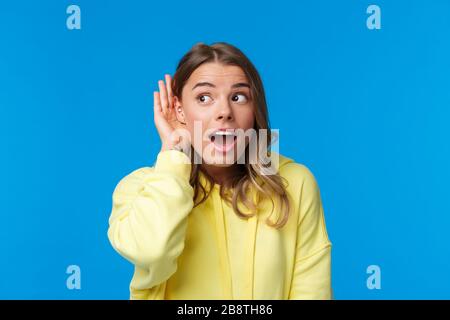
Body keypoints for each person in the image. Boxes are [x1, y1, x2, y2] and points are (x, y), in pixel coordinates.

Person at [107, 42, 333, 300]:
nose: (225, 112)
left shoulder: (295, 182)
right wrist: (173, 155)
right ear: (180, 111)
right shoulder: (139, 188)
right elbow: (151, 251)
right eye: (204, 98)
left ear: (253, 110)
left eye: (238, 97)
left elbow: (312, 292)